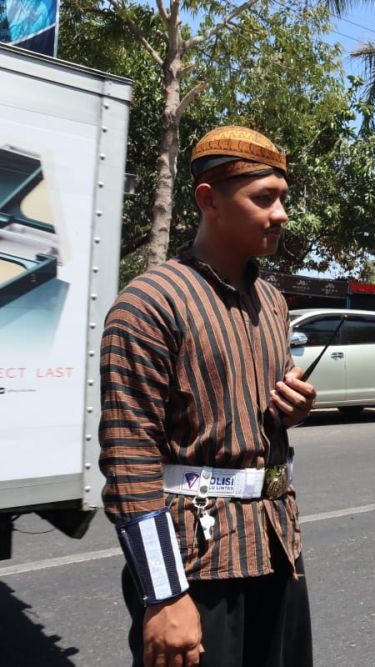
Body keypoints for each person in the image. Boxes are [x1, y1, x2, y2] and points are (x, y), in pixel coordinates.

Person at [99, 125, 317, 667]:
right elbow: (130, 461)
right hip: (196, 564)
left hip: (276, 546)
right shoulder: (149, 303)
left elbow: (256, 404)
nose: (282, 213)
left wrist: (295, 405)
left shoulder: (271, 301)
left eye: (283, 197)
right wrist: (165, 593)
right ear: (208, 201)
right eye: (264, 198)